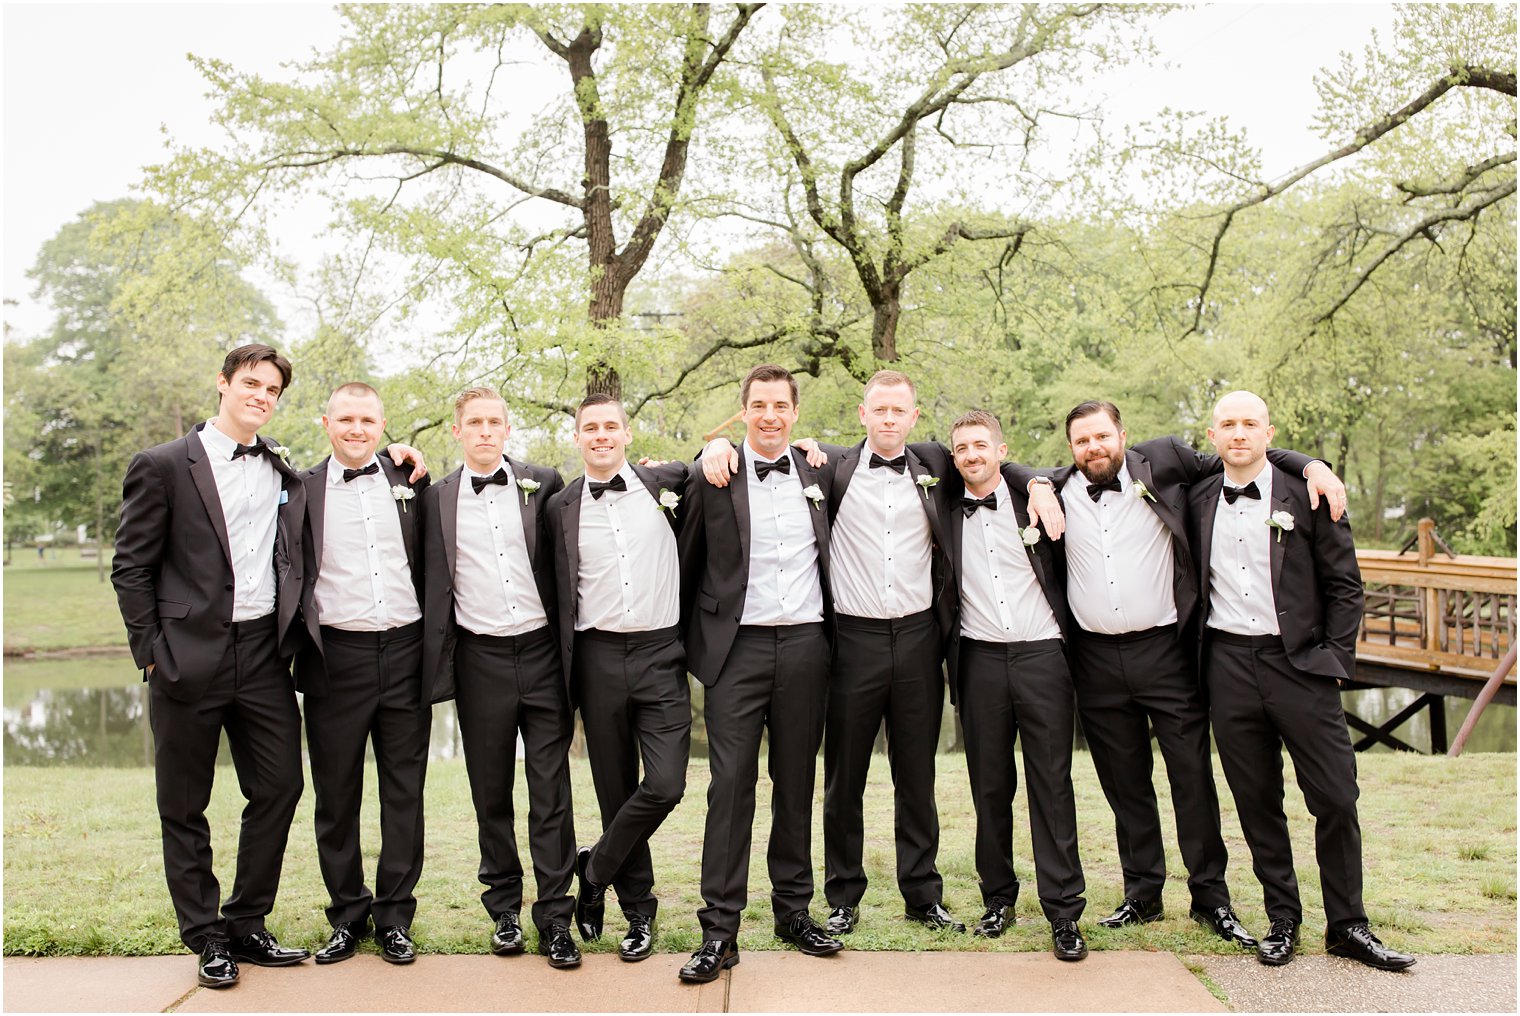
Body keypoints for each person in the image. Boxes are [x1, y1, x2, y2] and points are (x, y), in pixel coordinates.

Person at [1007, 401, 1344, 949]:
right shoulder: (1058, 487)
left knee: (1191, 779)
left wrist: (1310, 466)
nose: (1093, 447)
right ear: (1070, 448)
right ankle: (1143, 893)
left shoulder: (1163, 462)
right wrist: (1039, 482)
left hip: (1167, 652)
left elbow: (1241, 456)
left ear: (1123, 434)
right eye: (1081, 441)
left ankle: (1211, 897)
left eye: (1101, 436)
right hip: (1094, 660)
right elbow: (1007, 471)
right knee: (1125, 784)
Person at [701, 369, 964, 936]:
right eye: (879, 410)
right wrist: (716, 443)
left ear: (914, 417)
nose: (889, 420)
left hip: (919, 638)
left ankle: (922, 893)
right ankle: (843, 896)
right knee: (843, 777)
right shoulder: (831, 468)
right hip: (851, 642)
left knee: (915, 775)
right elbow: (712, 466)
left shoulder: (935, 466)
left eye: (900, 411)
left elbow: (993, 463)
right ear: (862, 414)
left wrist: (1037, 483)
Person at [1190, 390, 1414, 971]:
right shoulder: (1195, 494)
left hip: (1301, 665)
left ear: (1269, 432)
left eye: (1250, 424)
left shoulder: (1309, 493)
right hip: (1227, 665)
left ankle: (1348, 925)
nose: (1239, 434)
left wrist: (1334, 660)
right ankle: (1282, 919)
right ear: (1212, 437)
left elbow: (1346, 585)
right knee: (1258, 800)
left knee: (1336, 796)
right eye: (1227, 425)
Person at [111, 344, 312, 989]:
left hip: (261, 654)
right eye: (251, 383)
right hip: (185, 656)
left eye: (272, 390)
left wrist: (401, 461)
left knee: (280, 786)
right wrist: (150, 653)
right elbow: (131, 566)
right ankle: (205, 935)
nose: (261, 396)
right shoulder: (164, 466)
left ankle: (247, 922)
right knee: (184, 802)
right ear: (222, 384)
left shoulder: (281, 467)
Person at [676, 364, 842, 984]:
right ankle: (720, 929)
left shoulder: (822, 469)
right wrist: (707, 446)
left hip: (805, 646)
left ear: (795, 413)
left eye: (781, 405)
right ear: (742, 412)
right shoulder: (711, 472)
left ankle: (793, 911)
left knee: (796, 782)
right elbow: (687, 560)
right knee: (730, 788)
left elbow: (909, 454)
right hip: (734, 651)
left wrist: (1036, 480)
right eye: (759, 405)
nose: (770, 415)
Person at [419, 386, 580, 969]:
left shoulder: (547, 484)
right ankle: (504, 909)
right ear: (458, 431)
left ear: (507, 430)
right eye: (475, 423)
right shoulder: (433, 499)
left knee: (550, 791)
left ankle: (556, 918)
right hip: (478, 659)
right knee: (490, 792)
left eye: (495, 422)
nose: (486, 431)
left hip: (542, 655)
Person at [544, 393, 690, 962]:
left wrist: (723, 442)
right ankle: (639, 914)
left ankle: (595, 866)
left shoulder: (668, 485)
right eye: (590, 428)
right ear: (577, 438)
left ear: (627, 435)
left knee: (666, 784)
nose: (601, 435)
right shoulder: (557, 507)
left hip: (661, 653)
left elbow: (718, 461)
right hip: (597, 658)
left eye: (611, 426)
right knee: (614, 791)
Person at [945, 411, 1091, 960]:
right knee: (989, 786)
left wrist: (1034, 481)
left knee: (1051, 785)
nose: (972, 454)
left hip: (1042, 657)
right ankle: (998, 899)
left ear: (1001, 449)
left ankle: (1063, 912)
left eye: (981, 445)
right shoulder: (941, 501)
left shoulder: (1037, 495)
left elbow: (1050, 471)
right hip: (978, 659)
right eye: (962, 448)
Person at [295, 382, 431, 966]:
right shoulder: (296, 490)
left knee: (404, 792)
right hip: (335, 658)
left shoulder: (413, 482)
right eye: (345, 418)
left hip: (406, 652)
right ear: (326, 422)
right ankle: (347, 915)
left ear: (382, 425)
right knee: (337, 795)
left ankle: (395, 917)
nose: (356, 429)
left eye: (367, 420)